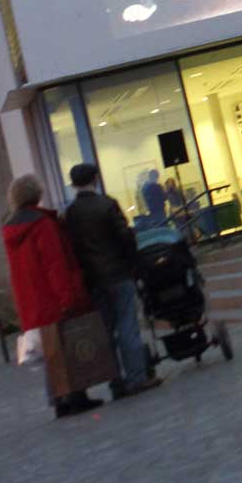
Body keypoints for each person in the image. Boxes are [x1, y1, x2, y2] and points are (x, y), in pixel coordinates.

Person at [1, 173, 101, 419]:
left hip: (31, 301)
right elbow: (54, 264)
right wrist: (68, 297)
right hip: (52, 298)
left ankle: (59, 400)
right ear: (36, 194)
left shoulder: (11, 229)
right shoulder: (42, 224)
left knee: (50, 353)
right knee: (67, 350)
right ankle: (76, 397)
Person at [64, 164, 160, 400]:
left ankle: (115, 381)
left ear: (74, 184)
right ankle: (136, 377)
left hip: (93, 280)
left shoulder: (71, 214)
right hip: (118, 274)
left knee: (105, 331)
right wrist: (133, 264)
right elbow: (125, 237)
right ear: (95, 179)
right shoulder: (106, 204)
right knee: (127, 325)